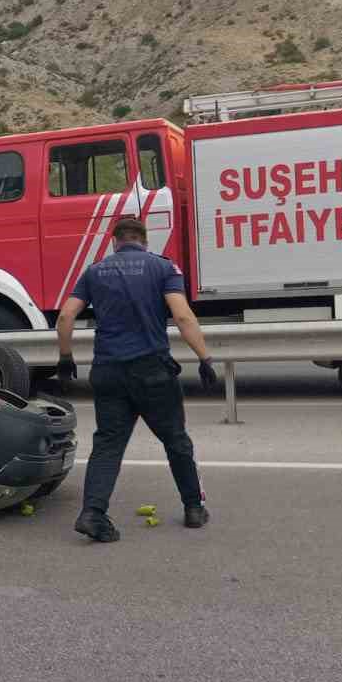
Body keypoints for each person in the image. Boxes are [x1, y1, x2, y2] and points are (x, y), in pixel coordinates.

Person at [55, 215, 218, 543]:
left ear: (115, 241)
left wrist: (65, 356)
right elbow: (183, 315)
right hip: (152, 371)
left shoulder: (95, 270)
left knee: (108, 444)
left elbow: (66, 315)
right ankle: (193, 508)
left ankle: (93, 513)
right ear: (144, 241)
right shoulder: (163, 268)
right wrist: (205, 358)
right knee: (175, 439)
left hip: (108, 372)